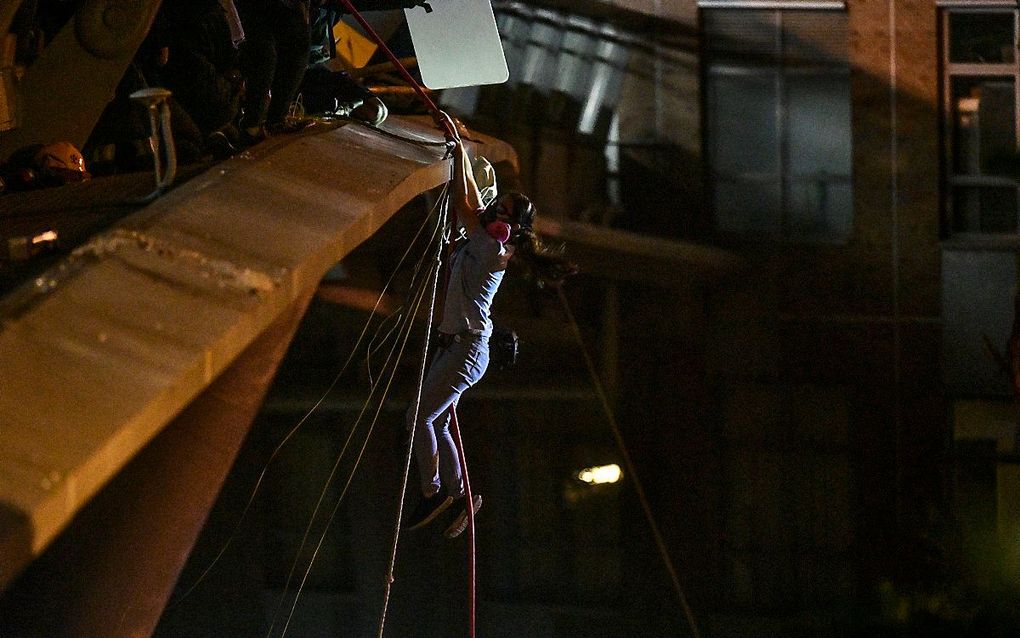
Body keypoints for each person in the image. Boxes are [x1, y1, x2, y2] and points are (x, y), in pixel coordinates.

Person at [404, 114, 576, 538]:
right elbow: (471, 202)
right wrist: (459, 146)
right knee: (438, 421)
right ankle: (459, 493)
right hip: (463, 347)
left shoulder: (490, 245)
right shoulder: (487, 239)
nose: (492, 212)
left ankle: (432, 493)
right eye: (496, 207)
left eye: (500, 212)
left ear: (509, 228)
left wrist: (459, 145)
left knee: (418, 419)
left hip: (467, 349)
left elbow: (465, 201)